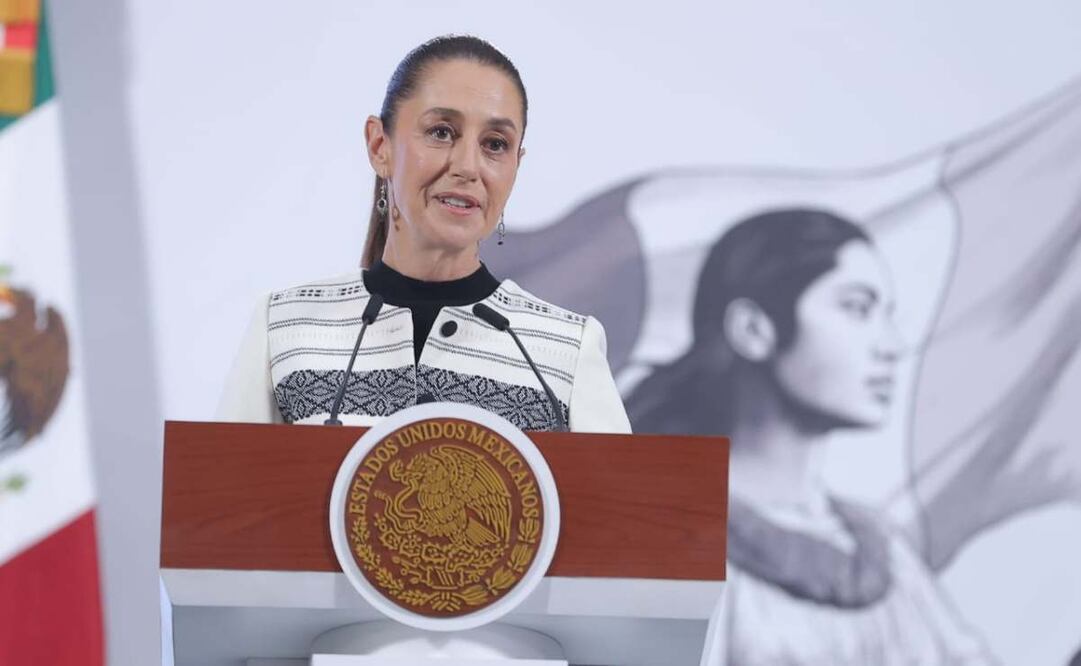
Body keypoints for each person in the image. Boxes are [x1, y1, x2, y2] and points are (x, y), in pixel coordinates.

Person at [627, 209, 997, 665]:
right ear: (753, 330)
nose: (892, 345)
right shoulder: (663, 540)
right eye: (857, 308)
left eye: (886, 315)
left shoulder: (885, 552)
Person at [217, 35, 629, 434]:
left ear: (515, 167)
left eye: (495, 144)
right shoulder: (284, 326)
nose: (468, 166)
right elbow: (224, 480)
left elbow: (614, 486)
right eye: (441, 132)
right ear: (380, 146)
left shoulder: (565, 350)